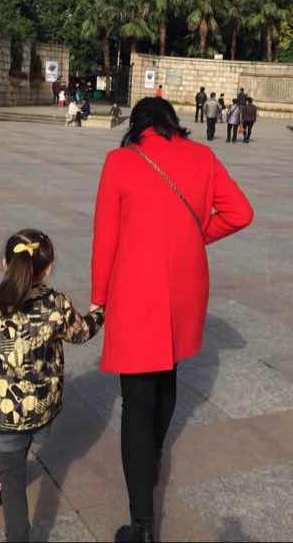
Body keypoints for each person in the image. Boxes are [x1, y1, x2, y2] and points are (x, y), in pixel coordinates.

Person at [91, 97, 254, 543]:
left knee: (136, 403)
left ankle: (142, 523)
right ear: (172, 122)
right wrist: (194, 234)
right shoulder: (202, 156)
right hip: (185, 287)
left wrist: (99, 298)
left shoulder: (121, 161)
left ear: (137, 125)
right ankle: (156, 452)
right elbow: (240, 213)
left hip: (134, 292)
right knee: (168, 373)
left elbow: (105, 237)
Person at [0, 229, 105, 543]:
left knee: (14, 476)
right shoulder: (56, 304)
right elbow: (81, 333)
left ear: (5, 263)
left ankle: (9, 499)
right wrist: (100, 312)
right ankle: (3, 477)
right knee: (19, 448)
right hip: (40, 408)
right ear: (49, 267)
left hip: (3, 412)